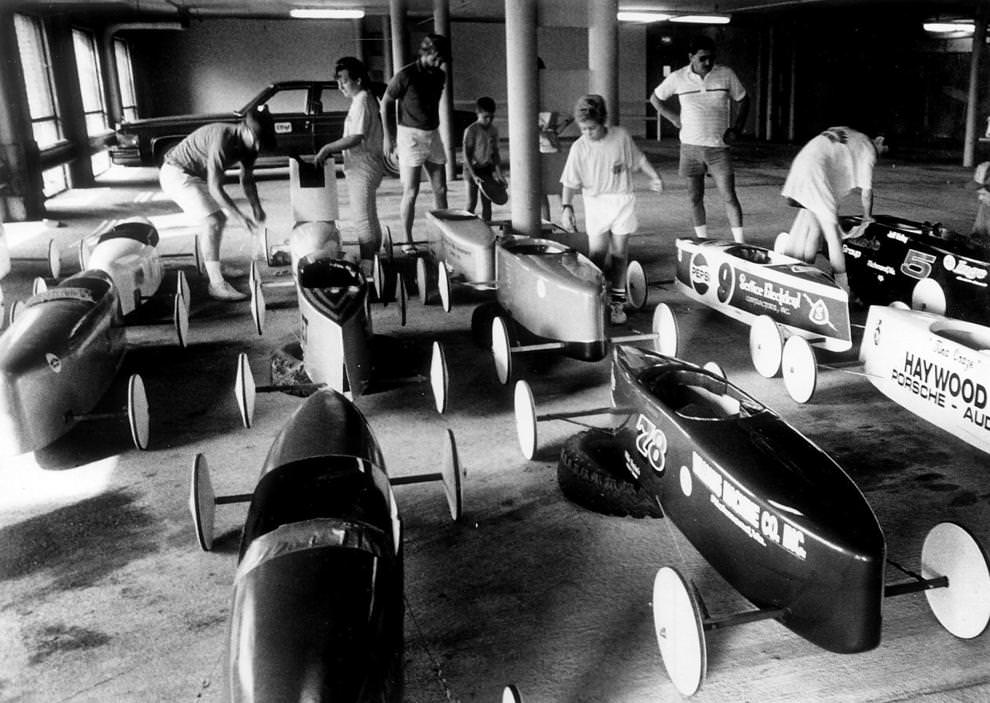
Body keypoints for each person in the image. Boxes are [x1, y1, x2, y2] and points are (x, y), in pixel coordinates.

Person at [559, 94, 664, 326]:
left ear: (603, 121)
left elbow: (639, 159)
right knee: (596, 254)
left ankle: (617, 303)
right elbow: (569, 182)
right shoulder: (579, 148)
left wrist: (653, 175)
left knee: (619, 255)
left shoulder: (621, 137)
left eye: (592, 128)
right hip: (596, 203)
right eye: (583, 129)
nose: (587, 133)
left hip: (622, 201)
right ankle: (594, 299)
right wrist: (566, 207)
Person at [158, 107, 274, 300]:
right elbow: (215, 187)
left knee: (216, 219)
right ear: (245, 129)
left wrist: (256, 207)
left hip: (196, 175)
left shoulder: (250, 145)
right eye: (256, 142)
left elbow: (246, 179)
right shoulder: (223, 139)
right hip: (177, 172)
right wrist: (239, 216)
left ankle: (213, 264)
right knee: (213, 221)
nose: (257, 148)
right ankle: (216, 285)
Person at [650, 35, 749, 243]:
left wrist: (737, 128)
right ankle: (702, 240)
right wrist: (673, 118)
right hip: (690, 148)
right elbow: (655, 98)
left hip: (718, 148)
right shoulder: (678, 77)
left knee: (729, 196)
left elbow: (743, 99)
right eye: (702, 58)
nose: (707, 63)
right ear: (691, 57)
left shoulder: (726, 74)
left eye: (711, 58)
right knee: (695, 197)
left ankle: (740, 242)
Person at [775, 126, 886, 293]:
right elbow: (867, 192)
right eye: (884, 149)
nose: (882, 154)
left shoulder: (854, 134)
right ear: (880, 140)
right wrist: (867, 218)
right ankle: (842, 289)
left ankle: (801, 273)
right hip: (815, 171)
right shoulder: (869, 149)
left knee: (814, 226)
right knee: (833, 235)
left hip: (803, 161)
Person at [315, 56, 385, 278]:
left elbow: (356, 137)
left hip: (363, 166)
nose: (340, 86)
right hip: (365, 164)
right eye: (337, 81)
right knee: (370, 217)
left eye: (344, 81)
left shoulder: (363, 100)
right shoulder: (363, 99)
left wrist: (327, 148)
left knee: (362, 219)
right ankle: (374, 259)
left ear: (358, 79)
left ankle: (367, 269)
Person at [381, 33, 450, 253]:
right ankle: (408, 240)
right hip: (409, 135)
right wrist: (388, 137)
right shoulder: (405, 75)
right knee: (411, 191)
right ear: (426, 53)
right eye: (436, 58)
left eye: (441, 60)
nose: (439, 64)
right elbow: (385, 104)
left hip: (433, 133)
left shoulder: (440, 76)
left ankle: (444, 236)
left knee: (441, 188)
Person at [462, 96, 504, 222]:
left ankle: (487, 229)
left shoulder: (493, 130)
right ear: (478, 113)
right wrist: (474, 176)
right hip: (471, 169)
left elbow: (495, 155)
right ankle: (467, 231)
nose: (489, 120)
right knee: (471, 203)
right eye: (485, 117)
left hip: (486, 169)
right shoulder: (471, 130)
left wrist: (500, 175)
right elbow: (466, 156)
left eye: (491, 117)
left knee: (487, 203)